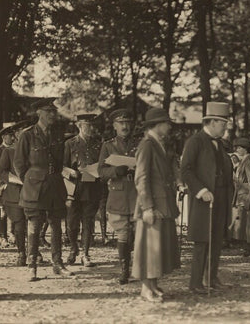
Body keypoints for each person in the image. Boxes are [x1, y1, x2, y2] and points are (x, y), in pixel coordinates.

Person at [14, 98, 73, 281]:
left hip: (55, 185)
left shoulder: (57, 134)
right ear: (39, 112)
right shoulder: (27, 135)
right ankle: (32, 266)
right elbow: (19, 164)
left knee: (56, 225)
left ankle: (57, 263)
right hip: (35, 187)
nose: (52, 115)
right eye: (48, 111)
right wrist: (32, 180)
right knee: (34, 226)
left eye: (53, 111)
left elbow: (60, 161)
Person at [180, 102, 234, 294]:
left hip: (220, 198)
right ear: (211, 122)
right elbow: (185, 170)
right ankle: (195, 283)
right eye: (222, 124)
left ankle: (211, 278)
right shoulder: (195, 141)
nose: (225, 127)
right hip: (204, 199)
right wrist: (201, 191)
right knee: (202, 241)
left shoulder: (220, 144)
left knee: (217, 239)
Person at [132, 108, 180, 302]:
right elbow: (141, 178)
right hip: (153, 205)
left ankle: (153, 284)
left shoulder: (158, 144)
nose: (169, 127)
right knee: (149, 248)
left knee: (158, 248)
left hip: (163, 203)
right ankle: (146, 289)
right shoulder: (147, 145)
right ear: (158, 125)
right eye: (166, 123)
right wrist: (147, 207)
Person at [98, 108, 139, 284]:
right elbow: (101, 171)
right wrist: (116, 170)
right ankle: (124, 270)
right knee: (122, 234)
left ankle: (139, 267)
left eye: (128, 123)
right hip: (119, 195)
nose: (125, 126)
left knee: (139, 234)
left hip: (138, 194)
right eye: (121, 123)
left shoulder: (141, 143)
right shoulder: (108, 145)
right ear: (114, 126)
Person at [63, 114, 103, 267]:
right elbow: (62, 166)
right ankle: (74, 248)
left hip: (91, 187)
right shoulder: (70, 144)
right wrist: (70, 172)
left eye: (92, 125)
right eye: (87, 126)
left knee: (88, 222)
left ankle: (85, 254)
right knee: (72, 224)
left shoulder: (98, 144)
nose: (90, 129)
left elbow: (102, 164)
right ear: (79, 126)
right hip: (73, 188)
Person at [0, 122, 30, 265]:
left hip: (33, 192)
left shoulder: (34, 151)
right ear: (17, 134)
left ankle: (34, 252)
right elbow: (3, 172)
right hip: (14, 193)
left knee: (34, 222)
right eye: (25, 132)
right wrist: (19, 180)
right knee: (19, 225)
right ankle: (21, 253)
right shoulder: (9, 151)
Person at [230, 138, 250, 246]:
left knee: (244, 219)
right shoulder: (243, 161)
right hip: (240, 194)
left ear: (245, 149)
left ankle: (247, 244)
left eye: (240, 148)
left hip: (244, 194)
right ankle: (243, 242)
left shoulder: (248, 161)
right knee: (241, 218)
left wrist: (237, 181)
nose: (238, 150)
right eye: (237, 148)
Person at [0, 125, 16, 247]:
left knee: (12, 209)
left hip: (12, 184)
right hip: (1, 185)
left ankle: (11, 234)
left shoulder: (14, 150)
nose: (13, 138)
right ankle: (2, 236)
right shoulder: (0, 150)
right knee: (2, 212)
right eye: (11, 136)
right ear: (4, 137)